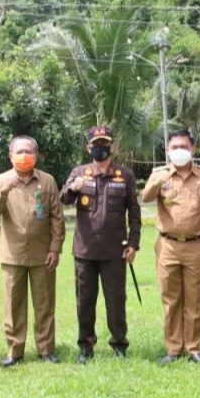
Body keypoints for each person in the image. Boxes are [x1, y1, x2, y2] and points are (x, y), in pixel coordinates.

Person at [142, 129, 200, 365]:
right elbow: (146, 197)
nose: (179, 151)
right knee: (171, 299)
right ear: (167, 151)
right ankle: (173, 348)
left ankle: (194, 347)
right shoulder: (160, 175)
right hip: (167, 245)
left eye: (183, 147)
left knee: (195, 299)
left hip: (197, 246)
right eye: (174, 147)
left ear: (193, 149)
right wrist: (158, 180)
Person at [60, 126, 141, 364]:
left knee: (116, 300)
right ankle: (86, 347)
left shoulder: (124, 175)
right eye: (96, 143)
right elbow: (63, 198)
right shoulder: (79, 172)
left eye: (104, 143)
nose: (100, 148)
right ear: (88, 148)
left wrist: (133, 244)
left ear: (112, 146)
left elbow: (134, 214)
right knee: (85, 300)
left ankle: (119, 345)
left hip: (115, 251)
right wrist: (72, 188)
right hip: (85, 252)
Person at [0, 136, 66, 367]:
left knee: (44, 304)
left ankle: (46, 350)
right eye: (19, 152)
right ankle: (14, 351)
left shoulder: (47, 181)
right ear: (10, 156)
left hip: (43, 254)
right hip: (12, 254)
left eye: (29, 151)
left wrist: (55, 248)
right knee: (13, 305)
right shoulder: (1, 180)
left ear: (36, 155)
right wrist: (4, 192)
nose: (24, 156)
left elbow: (57, 218)